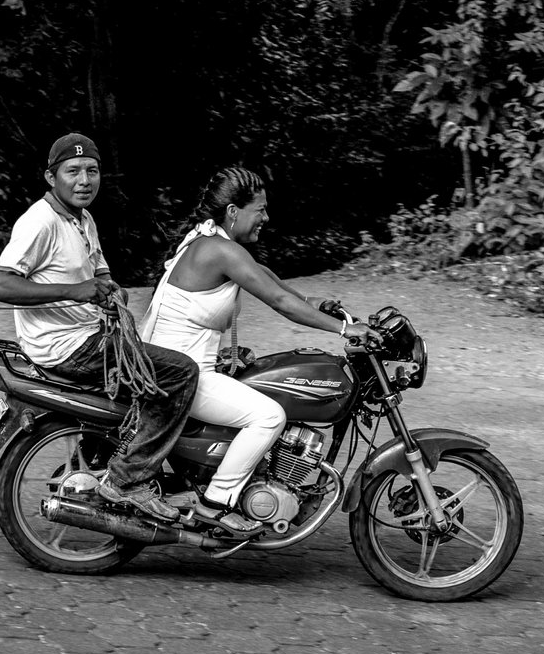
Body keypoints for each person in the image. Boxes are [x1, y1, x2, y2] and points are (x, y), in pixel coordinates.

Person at [142, 167, 372, 534]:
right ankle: (217, 502)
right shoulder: (219, 250)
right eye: (260, 209)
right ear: (233, 211)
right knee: (269, 415)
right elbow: (278, 299)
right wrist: (345, 329)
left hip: (174, 367)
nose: (266, 217)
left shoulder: (208, 240)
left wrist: (315, 302)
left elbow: (265, 276)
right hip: (182, 376)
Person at [0, 134, 200, 522]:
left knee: (155, 359)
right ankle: (129, 480)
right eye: (73, 171)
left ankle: (102, 460)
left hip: (91, 335)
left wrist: (106, 286)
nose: (85, 180)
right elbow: (0, 285)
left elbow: (96, 268)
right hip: (68, 346)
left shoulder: (81, 218)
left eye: (92, 171)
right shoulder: (40, 222)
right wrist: (78, 290)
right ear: (51, 177)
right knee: (182, 372)